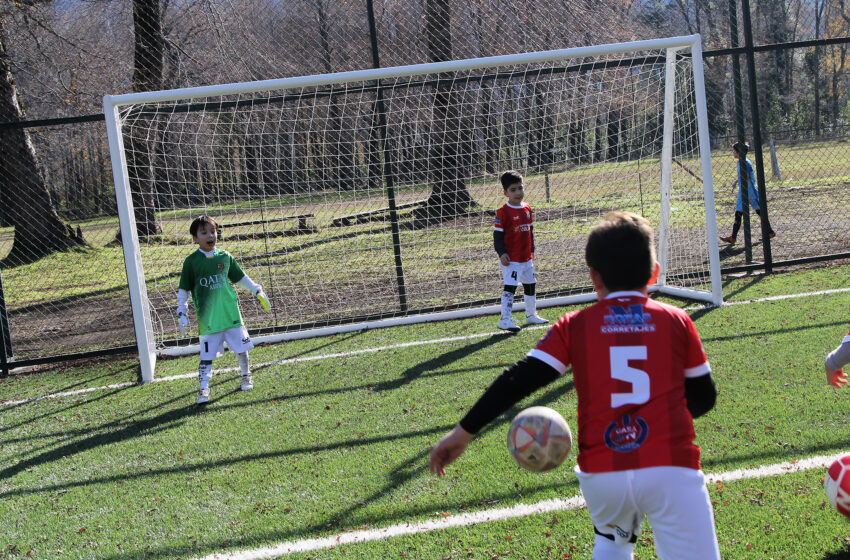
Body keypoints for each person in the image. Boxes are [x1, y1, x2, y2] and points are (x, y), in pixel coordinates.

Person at [431, 211, 721, 560]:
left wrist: (463, 433)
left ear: (594, 277)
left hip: (604, 472)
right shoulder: (677, 320)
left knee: (611, 544)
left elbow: (519, 379)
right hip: (670, 468)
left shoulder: (575, 326)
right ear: (654, 272)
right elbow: (704, 399)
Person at [177, 215, 271, 405]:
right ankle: (204, 387)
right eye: (204, 233)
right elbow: (184, 289)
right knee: (206, 356)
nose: (210, 235)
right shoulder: (191, 262)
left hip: (230, 314)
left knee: (242, 348)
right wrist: (181, 310)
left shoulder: (225, 257)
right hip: (208, 320)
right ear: (195, 238)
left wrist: (256, 289)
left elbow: (240, 277)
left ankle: (246, 375)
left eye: (213, 231)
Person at [493, 170, 548, 332]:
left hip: (526, 258)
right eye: (513, 190)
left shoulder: (527, 208)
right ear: (506, 193)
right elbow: (497, 237)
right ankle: (505, 319)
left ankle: (531, 315)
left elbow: (530, 232)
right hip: (512, 259)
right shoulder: (503, 212)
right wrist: (502, 253)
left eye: (520, 188)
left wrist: (532, 250)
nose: (518, 193)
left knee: (531, 284)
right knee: (511, 286)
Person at [719, 141, 776, 244]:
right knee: (738, 213)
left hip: (750, 191)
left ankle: (770, 232)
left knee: (759, 211)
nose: (733, 153)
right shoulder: (740, 162)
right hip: (744, 191)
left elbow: (747, 176)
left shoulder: (745, 162)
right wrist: (737, 181)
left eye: (734, 151)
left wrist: (746, 193)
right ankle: (733, 237)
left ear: (738, 152)